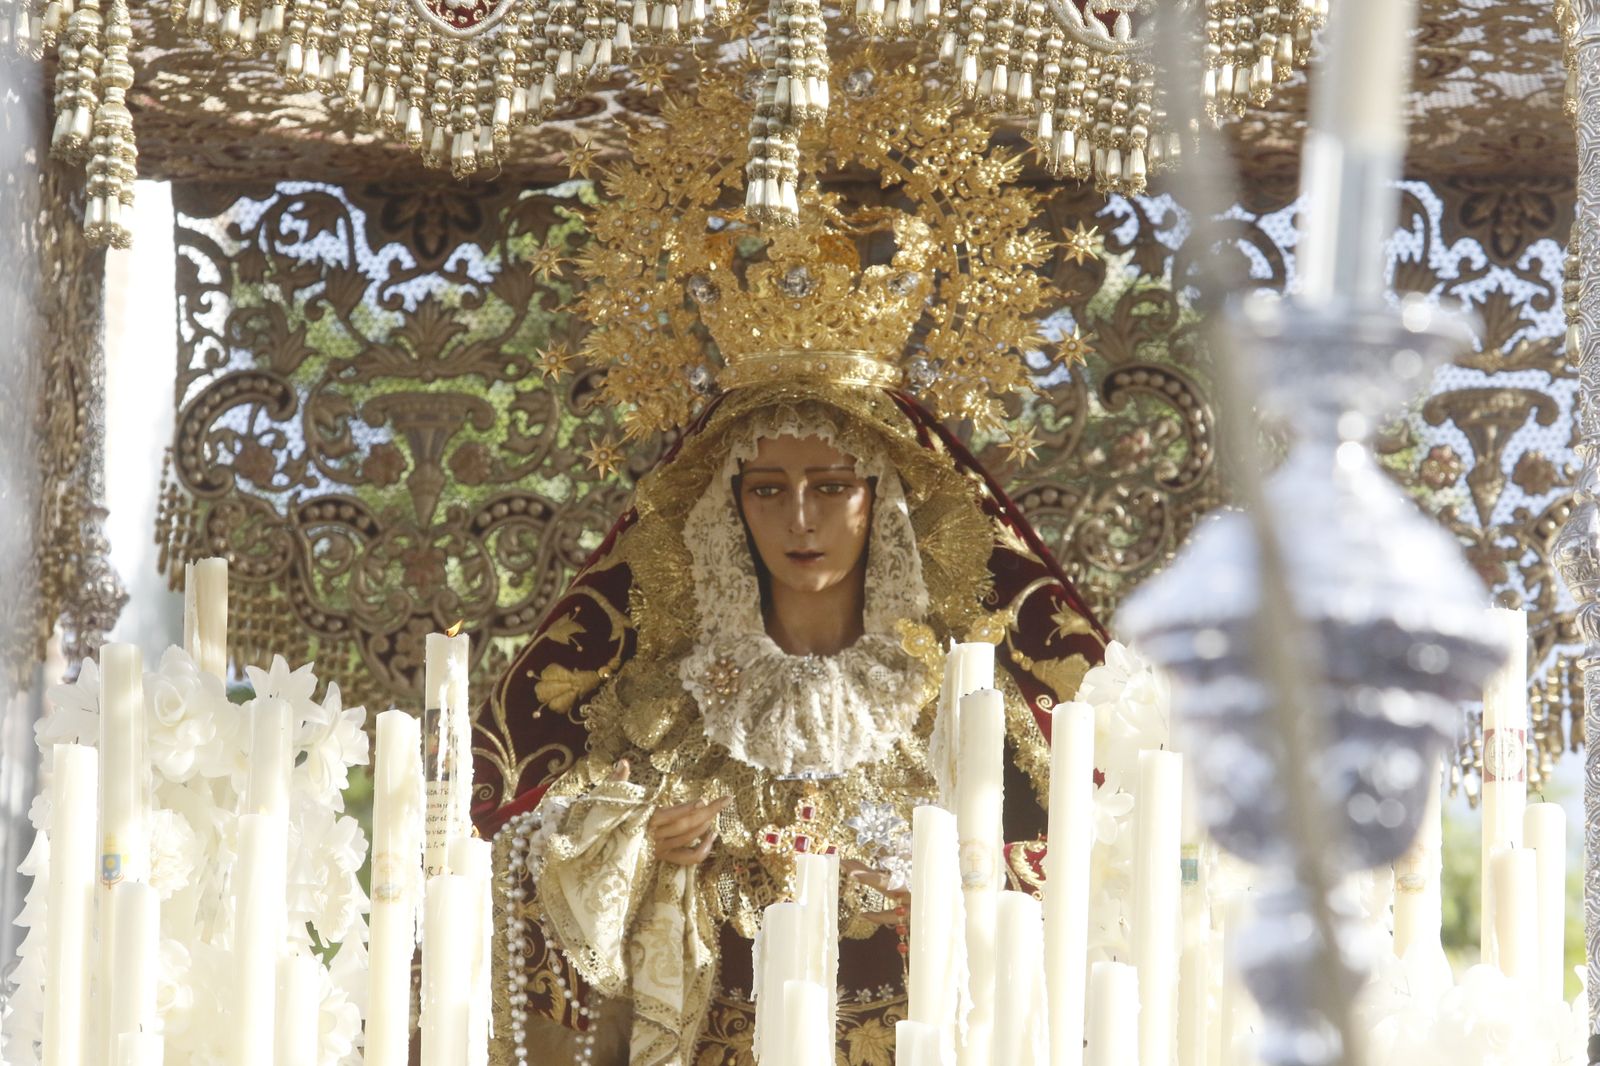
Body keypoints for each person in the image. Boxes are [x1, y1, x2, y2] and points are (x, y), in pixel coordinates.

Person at [472, 368, 1108, 1066]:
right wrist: (633, 846)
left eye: (833, 486)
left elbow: (1093, 880)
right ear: (731, 503)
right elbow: (510, 859)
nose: (800, 518)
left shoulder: (968, 706)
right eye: (767, 489)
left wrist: (955, 886)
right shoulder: (663, 710)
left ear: (882, 496)